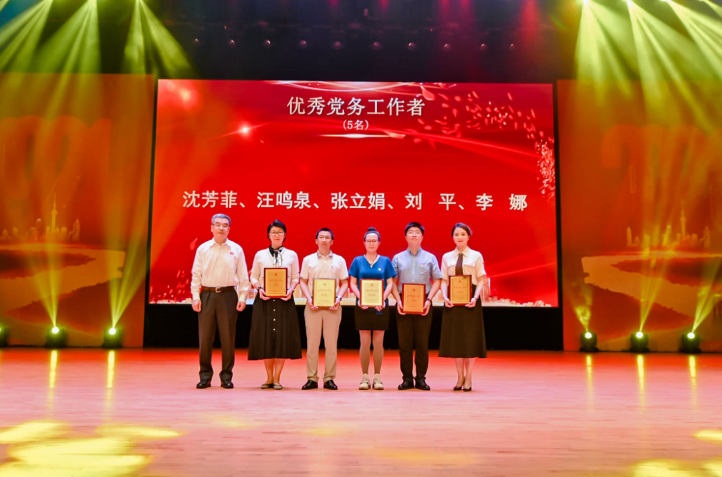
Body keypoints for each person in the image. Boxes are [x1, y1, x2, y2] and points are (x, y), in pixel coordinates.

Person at [190, 214, 250, 390]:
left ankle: (226, 377)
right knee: (205, 338)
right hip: (207, 295)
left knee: (228, 338)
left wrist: (243, 297)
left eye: (225, 225)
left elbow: (243, 276)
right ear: (211, 227)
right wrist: (195, 297)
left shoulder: (236, 249)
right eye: (217, 224)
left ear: (229, 229)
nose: (221, 228)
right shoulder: (203, 249)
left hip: (228, 295)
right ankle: (205, 376)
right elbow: (196, 274)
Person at [248, 220, 302, 389]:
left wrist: (291, 289)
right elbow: (253, 277)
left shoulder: (292, 255)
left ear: (285, 235)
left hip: (284, 301)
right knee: (266, 339)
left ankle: (277, 378)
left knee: (281, 339)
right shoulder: (260, 255)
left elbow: (296, 277)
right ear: (268, 235)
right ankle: (269, 378)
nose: (277, 235)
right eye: (274, 232)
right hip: (264, 300)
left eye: (280, 232)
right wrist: (259, 288)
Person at [391, 222, 442, 391]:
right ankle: (406, 378)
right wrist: (398, 301)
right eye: (410, 232)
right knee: (404, 344)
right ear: (405, 236)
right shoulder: (397, 258)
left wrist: (429, 300)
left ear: (422, 236)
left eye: (417, 232)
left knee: (422, 344)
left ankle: (421, 379)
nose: (414, 235)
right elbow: (392, 282)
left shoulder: (430, 258)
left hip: (424, 303)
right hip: (403, 302)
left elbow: (437, 281)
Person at [439, 223, 487, 392]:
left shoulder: (476, 255)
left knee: (469, 340)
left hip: (471, 300)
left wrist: (475, 297)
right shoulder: (447, 257)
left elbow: (481, 279)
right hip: (453, 300)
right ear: (453, 237)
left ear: (468, 237)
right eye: (456, 234)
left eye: (463, 234)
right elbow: (444, 280)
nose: (459, 237)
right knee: (457, 340)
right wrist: (445, 297)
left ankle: (469, 377)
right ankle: (460, 377)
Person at [298, 228, 349, 390]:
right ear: (316, 240)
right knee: (312, 344)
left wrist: (338, 298)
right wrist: (309, 298)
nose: (324, 240)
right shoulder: (308, 260)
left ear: (332, 241)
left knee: (331, 344)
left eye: (327, 237)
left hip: (333, 307)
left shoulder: (340, 260)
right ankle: (312, 377)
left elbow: (345, 283)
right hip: (313, 306)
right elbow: (303, 281)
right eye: (321, 237)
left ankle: (329, 378)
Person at [348, 227, 396, 390]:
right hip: (362, 306)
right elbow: (353, 283)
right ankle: (364, 377)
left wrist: (382, 299)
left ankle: (377, 376)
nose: (371, 243)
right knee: (364, 342)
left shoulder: (386, 261)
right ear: (364, 242)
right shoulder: (357, 261)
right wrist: (360, 298)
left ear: (379, 243)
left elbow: (390, 283)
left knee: (378, 343)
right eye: (368, 240)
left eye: (374, 240)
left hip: (380, 307)